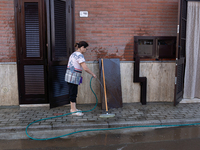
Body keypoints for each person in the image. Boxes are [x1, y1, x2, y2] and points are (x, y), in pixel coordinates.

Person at [65, 41, 96, 116]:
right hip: (73, 77)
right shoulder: (80, 55)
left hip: (69, 76)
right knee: (73, 93)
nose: (86, 50)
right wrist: (93, 74)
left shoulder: (73, 54)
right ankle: (73, 110)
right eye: (86, 49)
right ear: (82, 47)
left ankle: (74, 108)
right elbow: (85, 68)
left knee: (72, 92)